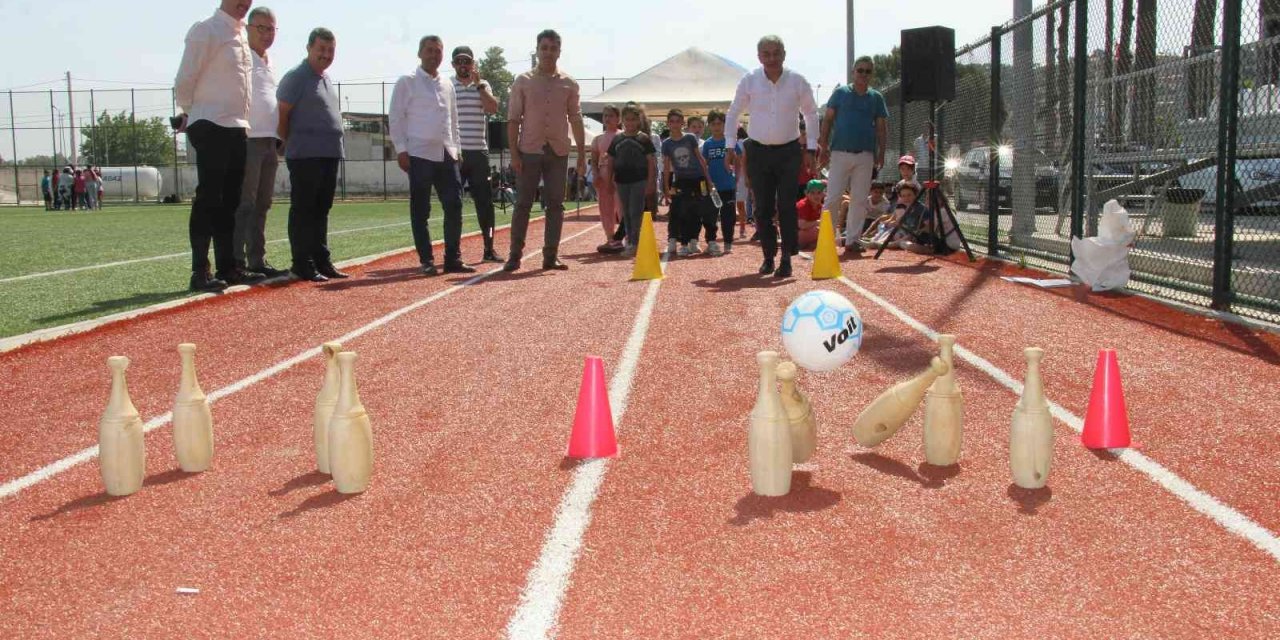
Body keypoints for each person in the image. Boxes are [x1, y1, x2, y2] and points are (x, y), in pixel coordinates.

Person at [174, 0, 262, 291]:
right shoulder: (207, 30)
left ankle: (229, 267)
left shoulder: (240, 35)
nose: (244, 4)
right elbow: (185, 78)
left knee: (231, 202)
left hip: (237, 126)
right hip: (210, 123)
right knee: (209, 198)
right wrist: (192, 110)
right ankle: (200, 270)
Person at [725, 35, 820, 278]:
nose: (772, 58)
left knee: (787, 206)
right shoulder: (749, 81)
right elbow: (734, 112)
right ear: (759, 57)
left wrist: (811, 148)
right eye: (766, 54)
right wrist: (729, 146)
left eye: (776, 53)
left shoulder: (798, 81)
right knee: (762, 208)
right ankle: (768, 256)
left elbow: (811, 113)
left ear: (784, 54)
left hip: (789, 152)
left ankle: (787, 257)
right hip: (757, 152)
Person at [389, 36, 473, 276]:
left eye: (438, 51)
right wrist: (401, 150)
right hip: (418, 154)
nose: (434, 55)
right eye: (429, 50)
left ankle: (452, 259)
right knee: (420, 210)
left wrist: (457, 150)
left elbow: (453, 120)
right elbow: (395, 118)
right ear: (419, 53)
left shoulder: (447, 84)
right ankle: (426, 260)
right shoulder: (407, 82)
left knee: (454, 205)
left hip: (447, 153)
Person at [504, 29, 586, 272]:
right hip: (529, 149)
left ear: (559, 51)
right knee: (522, 204)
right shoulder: (523, 81)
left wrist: (581, 155)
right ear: (537, 50)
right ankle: (514, 255)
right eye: (544, 48)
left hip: (558, 151)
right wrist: (514, 154)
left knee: (556, 205)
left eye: (553, 48)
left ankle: (550, 255)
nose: (548, 52)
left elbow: (576, 119)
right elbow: (513, 120)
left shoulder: (569, 84)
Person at [277, 27, 347, 282]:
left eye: (330, 50)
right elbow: (282, 112)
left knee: (321, 209)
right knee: (304, 209)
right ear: (309, 48)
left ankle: (321, 259)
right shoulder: (296, 77)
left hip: (328, 154)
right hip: (305, 155)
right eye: (321, 49)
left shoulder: (325, 78)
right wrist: (282, 144)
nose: (326, 55)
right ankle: (302, 263)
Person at [231, 6, 287, 278]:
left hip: (270, 141)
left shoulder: (269, 62)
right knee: (245, 202)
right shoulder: (240, 57)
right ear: (247, 29)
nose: (266, 34)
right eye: (261, 28)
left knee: (263, 203)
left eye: (271, 29)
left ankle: (257, 260)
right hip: (249, 138)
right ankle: (236, 262)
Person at [817, 55, 887, 256]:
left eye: (868, 71)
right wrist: (823, 145)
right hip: (840, 153)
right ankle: (826, 240)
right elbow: (828, 120)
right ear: (853, 72)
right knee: (833, 197)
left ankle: (853, 240)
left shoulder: (876, 98)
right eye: (860, 70)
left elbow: (882, 128)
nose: (864, 74)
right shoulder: (840, 93)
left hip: (865, 156)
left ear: (872, 74)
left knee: (858, 199)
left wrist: (881, 152)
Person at [448, 45, 502, 263]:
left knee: (485, 205)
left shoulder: (483, 85)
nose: (463, 65)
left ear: (473, 63)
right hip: (455, 154)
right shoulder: (448, 85)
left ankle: (489, 249)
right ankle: (454, 253)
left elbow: (492, 108)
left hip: (479, 153)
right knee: (453, 203)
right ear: (453, 64)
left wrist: (479, 86)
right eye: (459, 61)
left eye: (467, 61)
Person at [662, 109, 717, 256]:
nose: (674, 124)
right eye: (671, 121)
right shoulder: (666, 144)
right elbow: (666, 166)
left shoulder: (690, 138)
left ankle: (705, 241)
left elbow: (700, 159)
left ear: (682, 123)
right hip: (682, 180)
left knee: (704, 210)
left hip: (699, 179)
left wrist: (709, 180)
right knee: (683, 211)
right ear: (667, 124)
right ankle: (684, 243)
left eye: (677, 121)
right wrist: (666, 188)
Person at [607, 103, 657, 257]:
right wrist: (609, 181)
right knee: (626, 213)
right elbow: (610, 161)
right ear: (622, 121)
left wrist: (650, 182)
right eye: (627, 120)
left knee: (636, 211)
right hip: (622, 181)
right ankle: (631, 241)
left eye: (633, 120)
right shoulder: (617, 139)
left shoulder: (644, 138)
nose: (630, 123)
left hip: (639, 180)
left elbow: (651, 162)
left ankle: (634, 242)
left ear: (639, 121)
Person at [702, 110, 740, 254]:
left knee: (728, 217)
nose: (717, 127)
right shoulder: (707, 144)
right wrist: (707, 181)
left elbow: (739, 160)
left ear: (725, 125)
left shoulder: (730, 142)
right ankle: (711, 241)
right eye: (713, 124)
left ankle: (728, 243)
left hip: (728, 186)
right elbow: (704, 164)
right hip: (712, 187)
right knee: (710, 215)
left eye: (719, 123)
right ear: (709, 126)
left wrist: (737, 177)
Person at [591, 104, 623, 253]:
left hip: (620, 174)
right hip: (603, 175)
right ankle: (610, 238)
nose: (608, 119)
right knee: (605, 208)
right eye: (605, 116)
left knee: (622, 207)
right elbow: (594, 159)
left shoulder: (623, 135)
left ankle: (626, 238)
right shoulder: (597, 139)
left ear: (618, 118)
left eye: (611, 115)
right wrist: (596, 176)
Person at [795, 179, 825, 250]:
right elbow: (802, 225)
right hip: (793, 235)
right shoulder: (803, 205)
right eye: (812, 193)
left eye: (819, 193)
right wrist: (818, 222)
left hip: (803, 233)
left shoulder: (819, 206)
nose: (816, 196)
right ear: (806, 193)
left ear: (823, 194)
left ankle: (810, 245)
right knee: (820, 230)